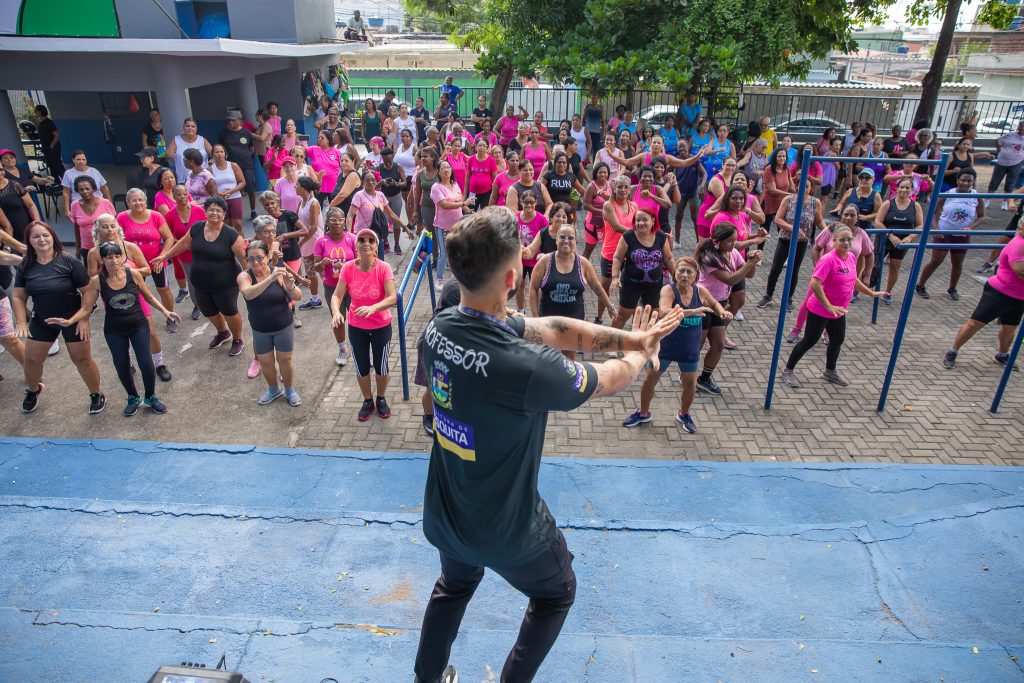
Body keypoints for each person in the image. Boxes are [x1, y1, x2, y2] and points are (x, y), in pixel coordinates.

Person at [412, 206, 683, 683]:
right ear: (515, 276)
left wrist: (630, 336)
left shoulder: (440, 328)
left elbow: (555, 327)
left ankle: (427, 679)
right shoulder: (529, 368)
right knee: (556, 593)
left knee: (453, 585)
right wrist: (642, 354)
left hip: (448, 511)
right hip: (509, 529)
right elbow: (609, 378)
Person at [11, 221, 104, 414]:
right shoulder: (26, 264)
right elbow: (19, 296)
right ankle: (33, 390)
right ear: (29, 241)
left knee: (82, 359)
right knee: (31, 359)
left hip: (72, 318)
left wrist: (83, 318)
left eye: (45, 235)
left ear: (53, 237)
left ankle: (96, 394)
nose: (41, 239)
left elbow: (88, 292)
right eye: (35, 236)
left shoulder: (69, 261)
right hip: (43, 319)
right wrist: (20, 321)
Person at [623, 256, 724, 431]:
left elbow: (715, 304)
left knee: (690, 384)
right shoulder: (668, 290)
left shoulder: (701, 291)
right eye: (681, 271)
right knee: (649, 381)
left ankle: (684, 414)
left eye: (689, 272)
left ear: (696, 276)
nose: (685, 275)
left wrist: (723, 312)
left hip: (689, 350)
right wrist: (692, 311)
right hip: (665, 347)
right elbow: (664, 312)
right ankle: (643, 413)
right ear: (675, 275)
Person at [781, 226, 887, 388]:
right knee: (809, 341)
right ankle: (788, 370)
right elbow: (815, 284)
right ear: (834, 241)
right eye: (842, 239)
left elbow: (853, 280)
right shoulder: (828, 259)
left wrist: (870, 293)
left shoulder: (851, 257)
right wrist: (828, 305)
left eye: (849, 239)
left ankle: (830, 372)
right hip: (820, 310)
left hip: (838, 310)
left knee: (837, 340)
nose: (846, 242)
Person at [87, 241, 179, 415]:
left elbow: (149, 296)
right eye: (108, 257)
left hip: (138, 325)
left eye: (117, 256)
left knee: (146, 363)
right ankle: (133, 397)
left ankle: (150, 397)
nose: (113, 260)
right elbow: (86, 307)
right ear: (102, 260)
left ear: (123, 257)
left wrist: (166, 311)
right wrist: (75, 321)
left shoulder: (133, 273)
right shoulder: (97, 281)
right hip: (114, 330)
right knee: (121, 365)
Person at [150, 196, 246, 357]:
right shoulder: (197, 228)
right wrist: (164, 256)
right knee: (208, 310)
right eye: (211, 209)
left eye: (218, 210)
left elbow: (243, 259)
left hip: (226, 283)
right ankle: (223, 333)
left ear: (223, 214)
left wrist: (250, 281)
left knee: (229, 311)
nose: (214, 213)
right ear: (205, 211)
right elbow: (183, 244)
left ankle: (237, 339)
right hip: (200, 282)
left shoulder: (231, 235)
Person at [86, 213, 173, 382]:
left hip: (136, 295)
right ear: (98, 230)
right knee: (122, 333)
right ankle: (130, 362)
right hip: (112, 298)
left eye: (112, 226)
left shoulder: (130, 247)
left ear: (117, 228)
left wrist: (124, 272)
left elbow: (147, 269)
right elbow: (91, 279)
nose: (109, 229)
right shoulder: (94, 253)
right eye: (105, 226)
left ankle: (159, 364)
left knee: (151, 332)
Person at [330, 227, 397, 420]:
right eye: (362, 239)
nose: (366, 243)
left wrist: (373, 308)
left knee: (381, 365)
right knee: (361, 366)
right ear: (356, 245)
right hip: (357, 327)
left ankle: (381, 398)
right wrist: (336, 312)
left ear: (376, 246)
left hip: (381, 325)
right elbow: (337, 296)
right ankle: (368, 400)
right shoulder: (348, 268)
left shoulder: (383, 267)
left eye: (371, 240)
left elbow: (392, 297)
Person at [943, 212, 1024, 370]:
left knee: (1010, 327)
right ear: (1021, 227)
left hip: (1019, 296)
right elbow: (1020, 271)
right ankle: (952, 351)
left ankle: (1002, 355)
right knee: (975, 322)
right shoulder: (1018, 244)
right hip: (999, 293)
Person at [787, 204, 874, 343]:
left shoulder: (861, 234)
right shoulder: (831, 230)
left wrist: (867, 275)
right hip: (824, 278)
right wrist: (818, 267)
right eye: (846, 214)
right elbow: (816, 248)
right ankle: (797, 329)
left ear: (858, 218)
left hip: (844, 280)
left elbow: (869, 254)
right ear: (841, 215)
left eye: (852, 215)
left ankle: (828, 332)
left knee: (837, 306)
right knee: (808, 302)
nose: (848, 218)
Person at [529, 222, 615, 360]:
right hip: (548, 319)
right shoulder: (545, 262)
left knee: (569, 358)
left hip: (574, 321)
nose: (566, 241)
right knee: (547, 357)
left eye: (570, 238)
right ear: (556, 239)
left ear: (576, 241)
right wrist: (534, 316)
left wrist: (610, 307)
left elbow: (597, 287)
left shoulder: (583, 263)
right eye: (562, 237)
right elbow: (533, 288)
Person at [696, 224, 760, 394]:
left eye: (735, 239)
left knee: (718, 345)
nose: (734, 243)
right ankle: (688, 374)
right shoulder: (709, 258)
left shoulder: (733, 253)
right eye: (730, 241)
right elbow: (730, 280)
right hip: (702, 305)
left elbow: (749, 274)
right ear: (718, 241)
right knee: (698, 344)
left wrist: (751, 263)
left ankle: (704, 379)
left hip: (720, 305)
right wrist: (751, 263)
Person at [238, 239, 303, 406]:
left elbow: (297, 296)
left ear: (267, 257)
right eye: (251, 259)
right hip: (260, 329)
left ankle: (289, 390)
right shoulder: (245, 276)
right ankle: (273, 389)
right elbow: (248, 293)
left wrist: (289, 285)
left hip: (283, 326)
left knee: (285, 360)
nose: (255, 262)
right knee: (265, 361)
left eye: (259, 258)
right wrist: (270, 279)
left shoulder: (278, 272)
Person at [917, 168, 984, 302]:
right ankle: (920, 285)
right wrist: (937, 229)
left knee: (957, 263)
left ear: (973, 182)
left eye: (969, 181)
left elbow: (982, 217)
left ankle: (952, 288)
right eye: (963, 180)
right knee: (936, 261)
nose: (965, 183)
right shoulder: (948, 194)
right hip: (944, 232)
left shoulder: (976, 196)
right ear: (957, 180)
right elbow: (933, 214)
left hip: (962, 235)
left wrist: (971, 227)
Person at [117, 188, 178, 332]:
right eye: (134, 200)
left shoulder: (156, 216)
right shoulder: (122, 217)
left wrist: (162, 256)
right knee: (135, 291)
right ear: (128, 203)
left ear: (145, 201)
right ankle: (139, 319)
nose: (138, 202)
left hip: (156, 261)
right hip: (133, 264)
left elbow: (169, 238)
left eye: (140, 199)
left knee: (163, 289)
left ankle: (170, 317)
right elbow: (117, 239)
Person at [757, 188, 825, 311]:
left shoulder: (815, 203)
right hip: (785, 239)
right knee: (775, 268)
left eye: (807, 186)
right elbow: (778, 219)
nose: (803, 189)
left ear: (810, 188)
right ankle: (768, 295)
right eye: (801, 185)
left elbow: (819, 220)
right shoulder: (789, 199)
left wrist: (827, 233)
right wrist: (791, 228)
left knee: (794, 270)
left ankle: (788, 299)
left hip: (801, 242)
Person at [609, 208, 674, 333]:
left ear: (653, 221)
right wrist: (615, 277)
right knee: (623, 315)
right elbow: (617, 257)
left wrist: (675, 275)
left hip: (654, 285)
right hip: (631, 284)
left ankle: (647, 344)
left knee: (653, 316)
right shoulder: (628, 236)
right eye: (637, 220)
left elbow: (669, 259)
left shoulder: (660, 236)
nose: (640, 223)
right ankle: (610, 344)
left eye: (645, 220)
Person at [313, 207, 357, 367]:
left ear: (345, 221)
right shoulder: (321, 241)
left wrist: (346, 265)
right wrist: (321, 264)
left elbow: (361, 263)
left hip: (353, 286)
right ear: (327, 222)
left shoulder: (352, 238)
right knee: (338, 319)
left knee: (357, 318)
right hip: (332, 287)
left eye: (340, 219)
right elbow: (315, 267)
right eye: (333, 219)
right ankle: (342, 349)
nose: (337, 222)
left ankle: (360, 348)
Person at [873, 177, 924, 306]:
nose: (904, 190)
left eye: (907, 187)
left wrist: (909, 237)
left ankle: (887, 292)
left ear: (912, 190)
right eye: (902, 187)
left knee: (895, 267)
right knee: (873, 264)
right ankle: (860, 288)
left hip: (902, 243)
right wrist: (890, 235)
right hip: (885, 239)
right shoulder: (888, 203)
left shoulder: (915, 206)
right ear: (896, 188)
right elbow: (878, 222)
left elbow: (919, 226)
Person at [164, 184, 204, 318]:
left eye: (184, 194)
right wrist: (182, 244)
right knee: (192, 281)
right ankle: (197, 305)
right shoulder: (170, 215)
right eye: (178, 194)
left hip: (203, 251)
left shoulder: (198, 210)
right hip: (184, 254)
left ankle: (212, 303)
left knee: (208, 277)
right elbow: (168, 236)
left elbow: (207, 228)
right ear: (173, 197)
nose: (182, 197)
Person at [219, 110, 257, 220]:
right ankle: (229, 212)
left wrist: (246, 157)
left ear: (240, 121)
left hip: (246, 165)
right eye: (229, 120)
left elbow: (251, 149)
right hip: (231, 167)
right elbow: (221, 149)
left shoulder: (246, 133)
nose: (230, 122)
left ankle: (253, 210)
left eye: (233, 120)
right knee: (232, 189)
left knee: (250, 188)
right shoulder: (224, 133)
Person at [68, 175, 113, 261]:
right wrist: (78, 247)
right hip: (87, 247)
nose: (85, 191)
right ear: (77, 191)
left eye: (87, 188)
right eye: (81, 189)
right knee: (90, 273)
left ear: (94, 188)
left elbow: (115, 225)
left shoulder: (105, 203)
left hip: (107, 246)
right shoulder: (75, 205)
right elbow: (76, 227)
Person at [209, 144, 247, 234]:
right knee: (226, 225)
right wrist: (218, 194)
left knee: (237, 223)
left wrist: (231, 191)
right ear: (213, 155)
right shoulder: (210, 169)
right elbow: (209, 187)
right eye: (216, 152)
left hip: (235, 197)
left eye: (221, 152)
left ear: (225, 154)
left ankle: (242, 244)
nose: (219, 154)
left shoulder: (233, 166)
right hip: (221, 200)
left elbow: (242, 182)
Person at [61, 151, 111, 218]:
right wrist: (67, 210)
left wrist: (109, 203)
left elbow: (104, 187)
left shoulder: (94, 171)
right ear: (73, 160)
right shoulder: (68, 173)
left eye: (83, 159)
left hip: (98, 203)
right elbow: (66, 193)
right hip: (79, 205)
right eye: (78, 159)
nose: (81, 161)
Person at [988, 121, 1024, 212]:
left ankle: (1005, 202)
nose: (1022, 129)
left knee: (1010, 182)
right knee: (995, 181)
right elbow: (998, 140)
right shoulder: (1010, 135)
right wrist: (999, 150)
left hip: (1016, 162)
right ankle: (987, 199)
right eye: (1021, 126)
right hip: (1002, 161)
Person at [582, 161, 611, 262]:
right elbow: (585, 205)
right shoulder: (592, 186)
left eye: (605, 172)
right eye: (600, 172)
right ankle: (581, 270)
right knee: (588, 250)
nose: (603, 174)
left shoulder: (609, 184)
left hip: (606, 223)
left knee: (607, 249)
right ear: (595, 173)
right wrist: (602, 212)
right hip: (593, 224)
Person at [34, 104, 65, 180]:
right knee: (50, 164)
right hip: (45, 147)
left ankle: (66, 180)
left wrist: (52, 145)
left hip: (53, 146)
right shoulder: (40, 123)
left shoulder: (49, 122)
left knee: (57, 164)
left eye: (36, 111)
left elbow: (56, 135)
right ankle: (56, 182)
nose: (35, 113)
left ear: (40, 112)